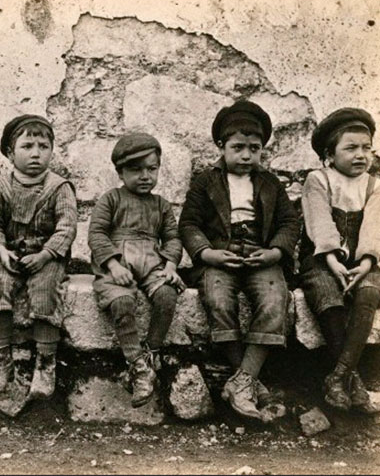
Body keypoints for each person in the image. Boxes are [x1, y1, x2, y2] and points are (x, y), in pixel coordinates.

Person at [178, 100, 300, 420]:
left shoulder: (271, 183)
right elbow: (189, 223)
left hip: (261, 253)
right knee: (217, 297)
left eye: (254, 148)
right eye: (238, 147)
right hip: (220, 254)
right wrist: (206, 253)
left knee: (275, 298)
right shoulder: (205, 182)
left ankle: (241, 382)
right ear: (222, 146)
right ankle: (250, 382)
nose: (246, 155)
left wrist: (275, 252)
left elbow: (290, 222)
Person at [0, 114, 78, 400]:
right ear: (10, 153)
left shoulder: (59, 187)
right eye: (27, 146)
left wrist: (47, 254)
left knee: (46, 291)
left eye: (43, 146)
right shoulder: (1, 186)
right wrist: (1, 250)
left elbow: (67, 226)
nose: (36, 153)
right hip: (11, 255)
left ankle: (45, 365)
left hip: (47, 258)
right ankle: (1, 363)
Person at [88, 132, 185, 408]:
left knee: (167, 295)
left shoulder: (161, 205)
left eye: (151, 169)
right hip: (118, 264)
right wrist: (113, 264)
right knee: (121, 301)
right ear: (120, 172)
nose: (145, 176)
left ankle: (151, 351)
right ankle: (137, 364)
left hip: (152, 262)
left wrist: (170, 264)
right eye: (135, 169)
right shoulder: (111, 200)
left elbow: (173, 238)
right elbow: (96, 234)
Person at [298, 107, 380, 414]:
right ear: (329, 155)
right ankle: (354, 380)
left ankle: (338, 375)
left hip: (363, 262)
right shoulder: (318, 180)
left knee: (370, 291)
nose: (361, 155)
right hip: (322, 260)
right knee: (327, 293)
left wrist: (368, 262)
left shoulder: (375, 186)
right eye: (351, 148)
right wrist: (333, 261)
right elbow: (320, 224)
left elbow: (375, 226)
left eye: (366, 147)